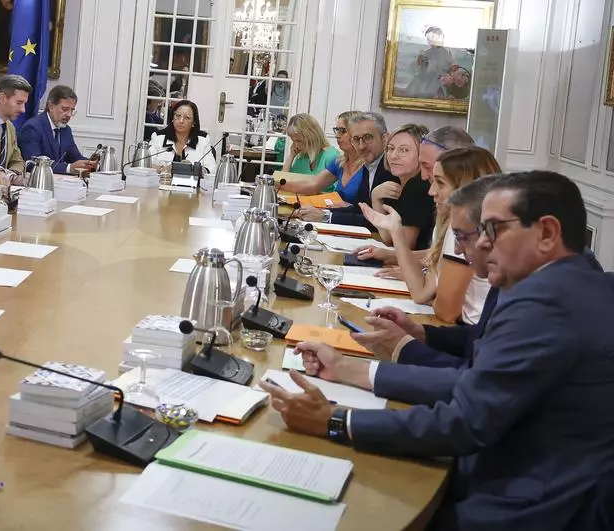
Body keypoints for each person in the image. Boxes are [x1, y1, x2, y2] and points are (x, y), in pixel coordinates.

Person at [263, 171, 614, 530]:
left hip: (528, 507)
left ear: (547, 233)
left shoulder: (546, 303)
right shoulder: (573, 283)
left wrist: (336, 421)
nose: (480, 244)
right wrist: (352, 370)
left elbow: (464, 421)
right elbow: (478, 382)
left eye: (493, 230)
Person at [352, 176, 501, 369]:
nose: (430, 190)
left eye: (439, 181)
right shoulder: (504, 283)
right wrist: (417, 331)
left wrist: (403, 350)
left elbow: (478, 375)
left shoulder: (529, 297)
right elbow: (477, 338)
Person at [361, 147, 501, 324]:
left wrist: (435, 298)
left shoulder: (463, 230)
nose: (431, 191)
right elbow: (421, 293)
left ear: (465, 188)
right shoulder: (450, 225)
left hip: (468, 331)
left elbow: (445, 312)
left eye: (440, 183)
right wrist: (396, 231)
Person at [299, 111, 398, 224]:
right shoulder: (369, 163)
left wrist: (327, 217)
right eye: (356, 139)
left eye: (367, 137)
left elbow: (377, 221)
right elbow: (360, 208)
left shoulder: (392, 169)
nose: (361, 146)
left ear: (385, 138)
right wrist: (321, 212)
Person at [365, 123, 436, 250]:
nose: (393, 156)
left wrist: (376, 200)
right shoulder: (396, 181)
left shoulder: (418, 186)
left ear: (422, 155)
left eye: (404, 150)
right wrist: (375, 197)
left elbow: (404, 245)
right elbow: (388, 238)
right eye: (391, 148)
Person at [281, 110, 365, 201]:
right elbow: (314, 185)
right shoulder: (339, 162)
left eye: (342, 131)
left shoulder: (367, 166)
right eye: (337, 130)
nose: (337, 135)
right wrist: (278, 183)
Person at [17, 85, 98, 175]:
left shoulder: (66, 130)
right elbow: (33, 164)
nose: (69, 115)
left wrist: (92, 164)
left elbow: (76, 157)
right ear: (51, 106)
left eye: (72, 110)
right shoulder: (32, 128)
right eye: (65, 109)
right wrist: (69, 168)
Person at [148, 100, 217, 173]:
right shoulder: (158, 137)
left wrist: (195, 169)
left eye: (187, 117)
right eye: (178, 116)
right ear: (172, 118)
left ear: (193, 122)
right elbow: (146, 164)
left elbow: (212, 169)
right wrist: (163, 169)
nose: (181, 121)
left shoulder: (203, 139)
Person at [280, 113, 339, 190]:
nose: (296, 145)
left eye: (299, 141)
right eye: (293, 141)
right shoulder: (301, 157)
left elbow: (338, 192)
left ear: (312, 136)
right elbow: (282, 183)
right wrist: (291, 156)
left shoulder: (331, 156)